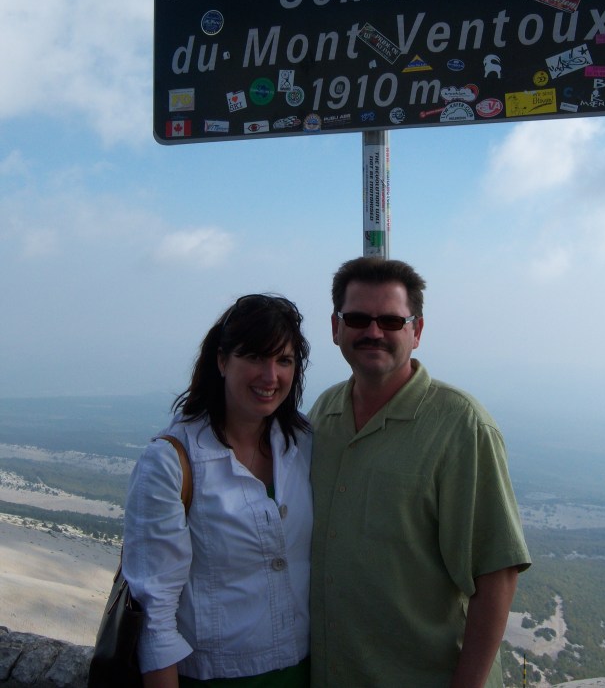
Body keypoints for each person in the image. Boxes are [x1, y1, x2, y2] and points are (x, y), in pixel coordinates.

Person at [309, 258, 531, 688]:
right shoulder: (323, 414)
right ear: (335, 328)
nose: (373, 331)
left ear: (417, 331)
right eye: (357, 318)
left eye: (391, 320)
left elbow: (497, 574)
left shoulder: (461, 425)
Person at [123, 294, 313, 688]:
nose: (270, 376)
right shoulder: (171, 461)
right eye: (255, 357)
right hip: (215, 677)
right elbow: (154, 614)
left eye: (284, 361)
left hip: (304, 670)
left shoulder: (304, 447)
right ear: (222, 361)